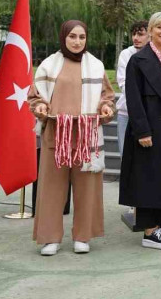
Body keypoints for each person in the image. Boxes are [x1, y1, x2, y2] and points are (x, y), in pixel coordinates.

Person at [29, 20, 114, 256]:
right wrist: (40, 109)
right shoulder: (49, 64)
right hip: (56, 132)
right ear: (63, 37)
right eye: (73, 37)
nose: (77, 42)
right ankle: (50, 238)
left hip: (87, 134)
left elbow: (107, 97)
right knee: (51, 187)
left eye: (82, 37)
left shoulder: (96, 65)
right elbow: (35, 97)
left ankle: (82, 236)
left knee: (87, 187)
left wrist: (106, 108)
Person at [119, 12, 161, 250]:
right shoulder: (138, 61)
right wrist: (142, 131)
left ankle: (158, 227)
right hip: (149, 130)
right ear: (150, 30)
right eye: (159, 27)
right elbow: (133, 97)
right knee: (149, 179)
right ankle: (149, 230)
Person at [116, 21, 148, 158]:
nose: (136, 38)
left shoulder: (158, 55)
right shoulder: (126, 54)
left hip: (150, 113)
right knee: (126, 154)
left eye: (140, 34)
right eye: (134, 34)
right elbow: (124, 83)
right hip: (126, 113)